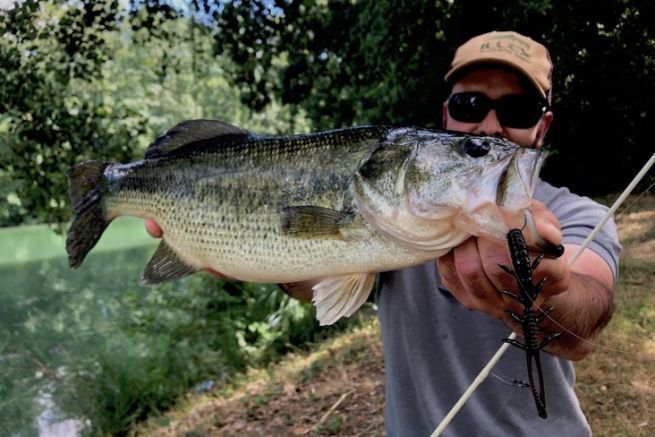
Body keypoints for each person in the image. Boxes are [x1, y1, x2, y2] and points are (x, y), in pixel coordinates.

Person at [146, 31, 621, 436]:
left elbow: (587, 315)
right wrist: (260, 260)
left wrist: (547, 294)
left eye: (517, 109)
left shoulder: (576, 213)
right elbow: (321, 283)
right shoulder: (394, 220)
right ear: (446, 115)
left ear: (544, 125)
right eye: (470, 105)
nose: (492, 126)